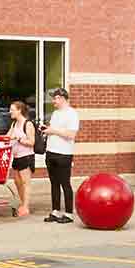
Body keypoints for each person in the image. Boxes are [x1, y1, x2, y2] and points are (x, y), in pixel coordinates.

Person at [43, 86, 81, 223]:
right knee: (54, 183)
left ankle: (69, 213)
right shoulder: (55, 114)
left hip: (64, 153)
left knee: (65, 183)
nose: (53, 101)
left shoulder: (72, 114)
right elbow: (55, 130)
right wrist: (48, 130)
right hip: (51, 151)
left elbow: (71, 135)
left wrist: (53, 131)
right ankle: (55, 211)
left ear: (62, 98)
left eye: (55, 98)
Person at [4, 98, 38, 218]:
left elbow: (32, 142)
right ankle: (23, 203)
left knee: (25, 182)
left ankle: (25, 207)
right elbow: (7, 137)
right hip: (17, 157)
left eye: (12, 110)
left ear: (19, 111)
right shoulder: (14, 124)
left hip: (26, 156)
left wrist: (19, 139)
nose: (10, 112)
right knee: (17, 182)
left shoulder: (27, 124)